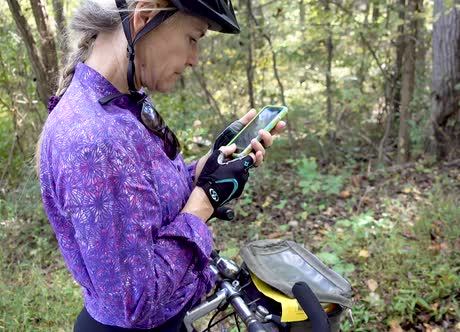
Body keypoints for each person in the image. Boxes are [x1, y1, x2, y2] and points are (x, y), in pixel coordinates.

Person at [36, 0, 286, 330]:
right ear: (145, 17)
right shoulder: (95, 139)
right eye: (194, 38)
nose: (194, 59)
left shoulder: (120, 103)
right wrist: (204, 202)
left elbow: (143, 200)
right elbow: (135, 301)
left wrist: (206, 169)